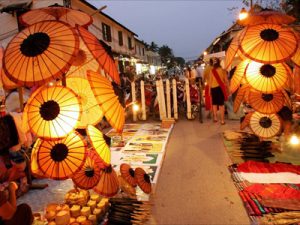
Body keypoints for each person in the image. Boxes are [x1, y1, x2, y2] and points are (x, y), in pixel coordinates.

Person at [208, 57, 229, 125]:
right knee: (221, 105)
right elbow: (226, 81)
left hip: (213, 89)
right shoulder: (223, 70)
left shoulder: (211, 71)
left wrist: (209, 91)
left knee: (214, 104)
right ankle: (222, 120)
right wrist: (228, 88)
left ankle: (215, 118)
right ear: (219, 63)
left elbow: (210, 82)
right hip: (220, 89)